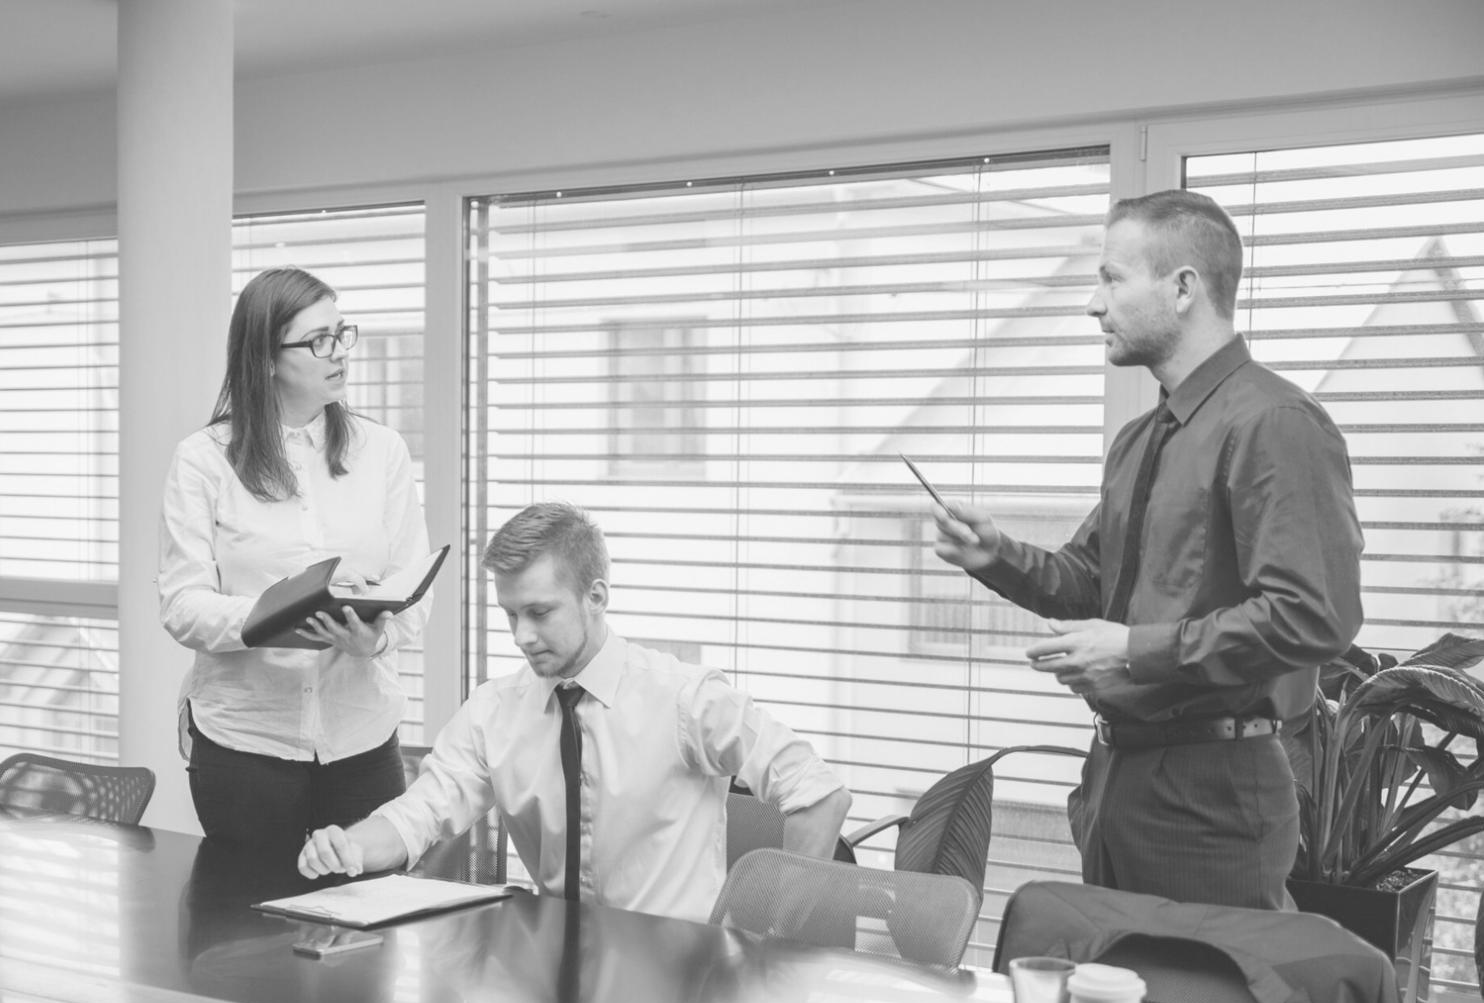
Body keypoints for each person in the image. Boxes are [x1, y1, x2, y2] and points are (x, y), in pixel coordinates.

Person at [931, 190, 1363, 910]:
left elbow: (1312, 616)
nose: (1093, 304)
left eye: (1111, 278)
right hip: (1118, 778)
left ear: (1183, 286)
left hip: (1212, 794)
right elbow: (1091, 580)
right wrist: (995, 554)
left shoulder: (1275, 423)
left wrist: (1134, 649)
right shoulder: (1141, 439)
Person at [298, 502, 851, 922]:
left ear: (597, 596)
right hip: (554, 972)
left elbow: (820, 795)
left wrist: (774, 938)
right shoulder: (495, 711)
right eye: (511, 614)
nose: (522, 636)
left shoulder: (685, 699)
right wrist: (351, 846)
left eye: (540, 612)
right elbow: (418, 814)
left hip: (677, 981)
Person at [159, 266, 430, 859]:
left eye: (342, 334)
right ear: (264, 359)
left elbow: (414, 587)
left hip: (362, 739)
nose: (339, 354)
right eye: (318, 341)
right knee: (245, 935)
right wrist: (275, 615)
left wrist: (373, 641)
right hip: (245, 745)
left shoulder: (381, 452)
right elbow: (181, 606)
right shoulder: (204, 460)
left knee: (368, 931)